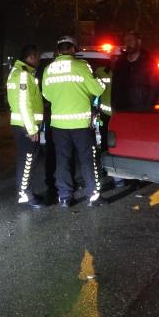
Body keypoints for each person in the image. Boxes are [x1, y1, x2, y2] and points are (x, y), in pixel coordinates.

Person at [42, 36, 107, 207]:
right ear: (73, 49)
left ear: (58, 49)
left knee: (62, 161)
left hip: (58, 125)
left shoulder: (48, 69)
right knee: (87, 159)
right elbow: (97, 89)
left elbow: (46, 95)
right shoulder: (81, 66)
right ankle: (93, 196)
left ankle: (64, 197)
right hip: (81, 124)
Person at [6, 44, 44, 208]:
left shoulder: (19, 72)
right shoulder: (23, 75)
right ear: (31, 56)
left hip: (22, 125)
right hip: (25, 126)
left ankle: (26, 192)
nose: (39, 60)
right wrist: (32, 128)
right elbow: (23, 104)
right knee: (27, 161)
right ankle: (25, 195)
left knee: (27, 160)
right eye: (38, 57)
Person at [111, 31, 157, 112]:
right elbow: (115, 86)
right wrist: (114, 105)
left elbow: (154, 88)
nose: (128, 44)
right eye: (125, 41)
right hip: (122, 110)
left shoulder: (148, 63)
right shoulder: (120, 64)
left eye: (130, 40)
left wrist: (148, 108)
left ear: (139, 42)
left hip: (141, 110)